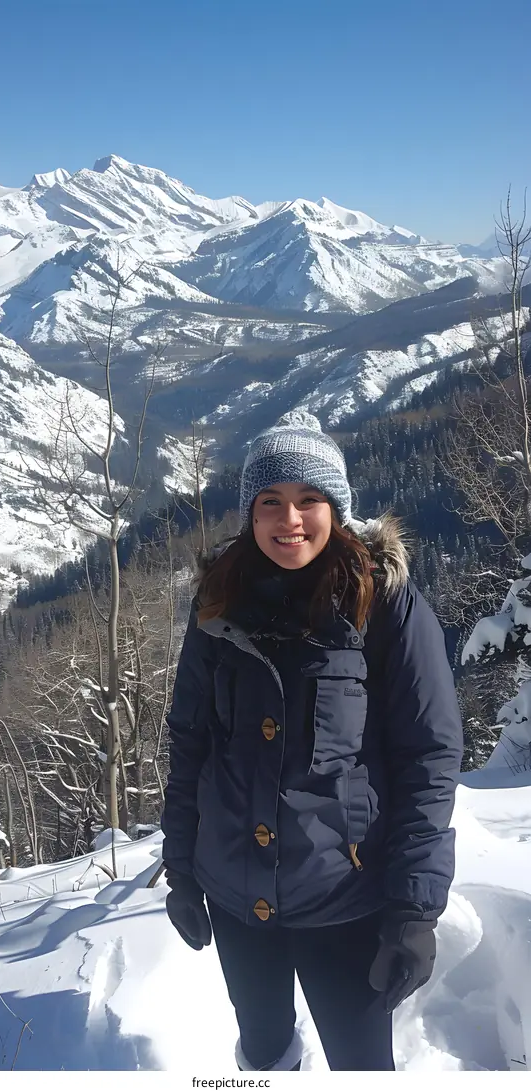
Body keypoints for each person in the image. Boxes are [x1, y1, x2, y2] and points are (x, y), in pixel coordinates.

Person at [161, 420, 463, 1072]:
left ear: (337, 507)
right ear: (249, 512)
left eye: (308, 499)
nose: (289, 518)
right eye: (270, 500)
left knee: (361, 1063)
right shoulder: (217, 604)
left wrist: (414, 906)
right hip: (236, 896)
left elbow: (428, 759)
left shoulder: (383, 606)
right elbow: (188, 741)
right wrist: (181, 867)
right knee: (264, 1055)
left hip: (345, 899)